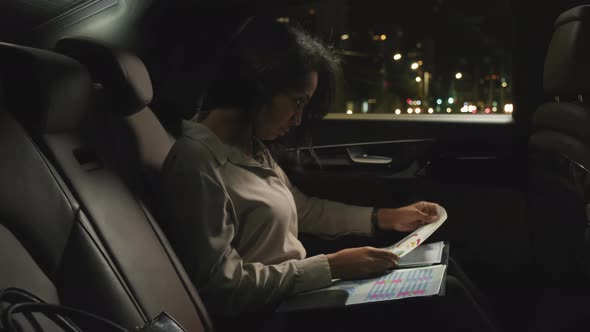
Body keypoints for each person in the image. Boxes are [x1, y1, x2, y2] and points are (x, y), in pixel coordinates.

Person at [162, 18, 499, 332]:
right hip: (272, 316)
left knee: (443, 269)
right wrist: (332, 267)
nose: (297, 119)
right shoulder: (197, 163)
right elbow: (225, 289)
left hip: (302, 295)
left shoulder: (250, 147)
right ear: (258, 86)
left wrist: (385, 218)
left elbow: (305, 210)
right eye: (297, 102)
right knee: (447, 294)